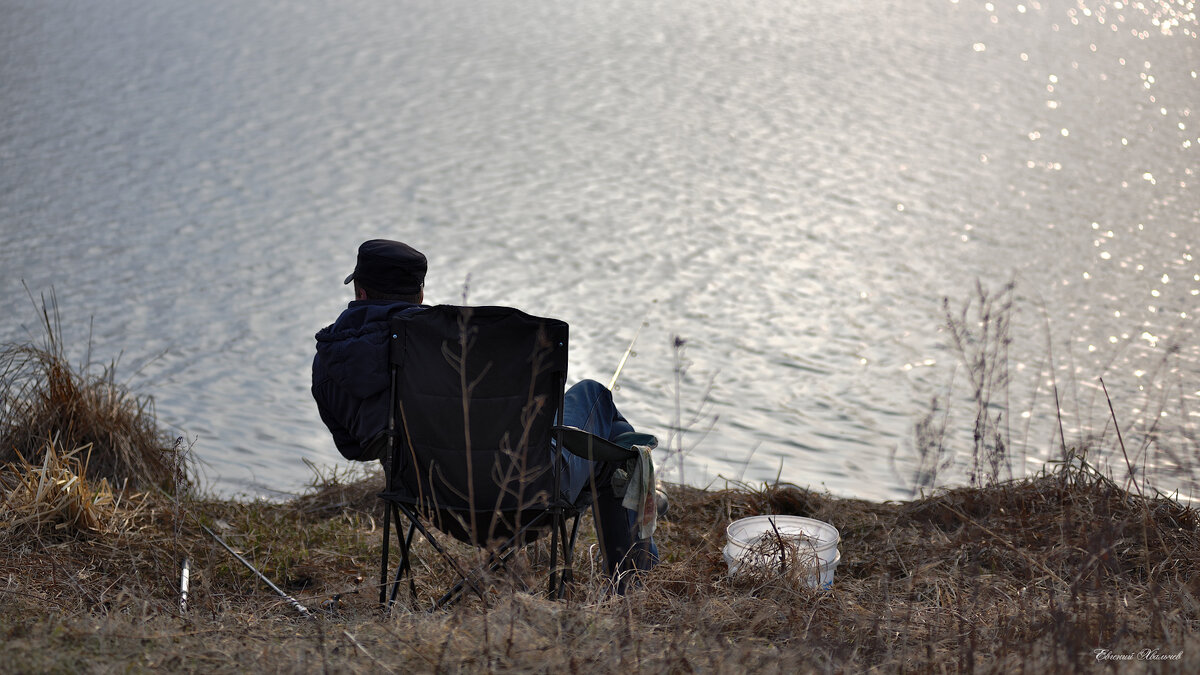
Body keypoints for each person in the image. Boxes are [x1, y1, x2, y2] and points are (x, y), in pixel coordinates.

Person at [311, 239, 658, 580]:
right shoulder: (453, 345)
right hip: (532, 496)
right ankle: (640, 571)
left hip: (431, 501)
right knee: (595, 400)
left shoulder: (331, 357)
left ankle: (640, 494)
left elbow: (354, 448)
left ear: (360, 292)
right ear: (419, 295)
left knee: (607, 446)